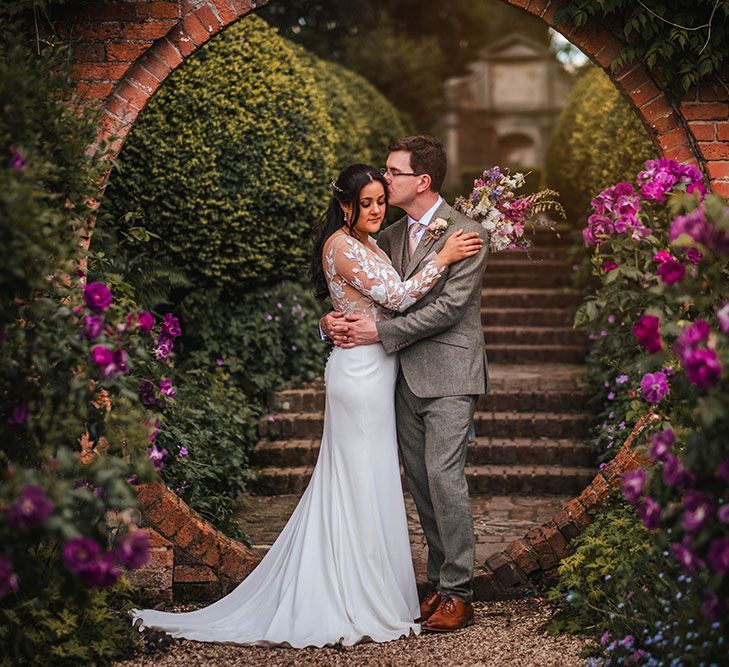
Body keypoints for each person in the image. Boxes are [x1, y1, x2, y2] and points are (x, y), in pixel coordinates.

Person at [129, 163, 482, 647]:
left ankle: (380, 587)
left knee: (373, 480)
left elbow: (361, 302)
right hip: (360, 376)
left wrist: (329, 320)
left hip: (382, 371)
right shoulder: (342, 244)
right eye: (367, 203)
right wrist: (440, 259)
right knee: (357, 480)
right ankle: (348, 594)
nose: (377, 209)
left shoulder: (373, 242)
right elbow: (397, 298)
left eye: (381, 199)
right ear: (345, 207)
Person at [321, 135, 490, 632]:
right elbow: (364, 295)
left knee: (443, 477)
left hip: (450, 373)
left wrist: (381, 332)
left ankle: (459, 591)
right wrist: (329, 323)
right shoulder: (387, 235)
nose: (385, 179)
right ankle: (438, 583)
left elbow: (448, 309)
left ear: (423, 180)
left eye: (393, 173)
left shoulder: (466, 234)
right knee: (419, 482)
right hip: (397, 376)